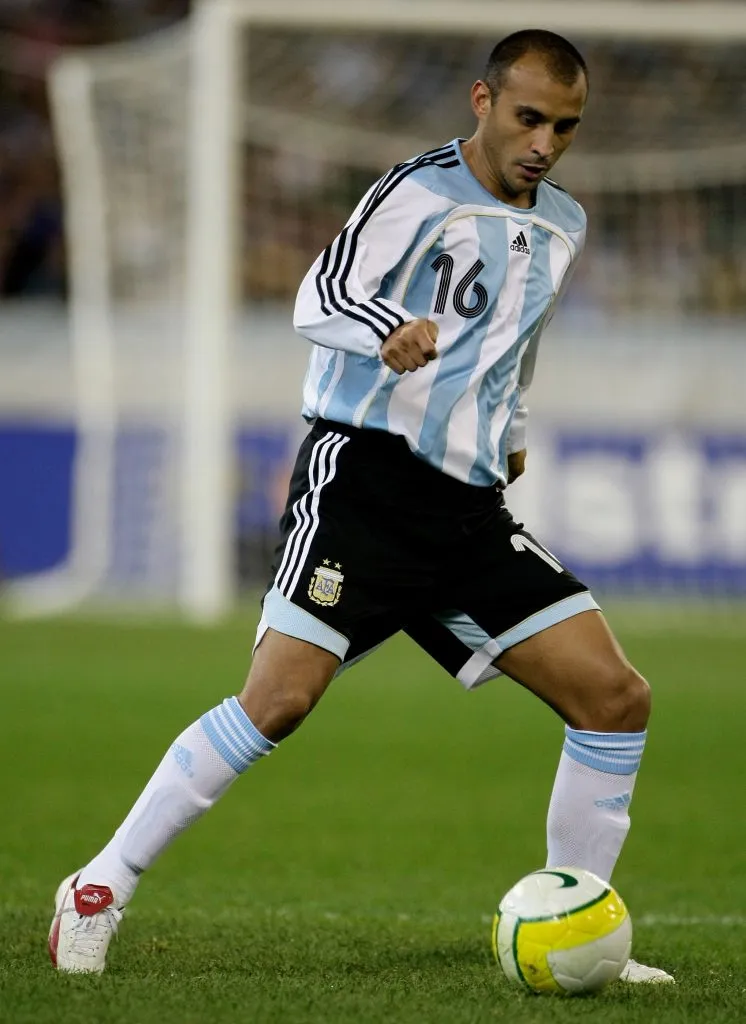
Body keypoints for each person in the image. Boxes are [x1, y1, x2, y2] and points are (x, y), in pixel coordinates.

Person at [49, 29, 673, 983]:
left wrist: (511, 428)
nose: (544, 142)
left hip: (468, 509)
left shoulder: (566, 223)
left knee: (616, 698)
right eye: (529, 117)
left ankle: (575, 919)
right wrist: (390, 331)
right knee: (279, 701)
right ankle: (97, 885)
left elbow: (517, 344)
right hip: (366, 483)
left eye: (565, 127)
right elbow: (321, 290)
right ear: (482, 100)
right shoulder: (417, 190)